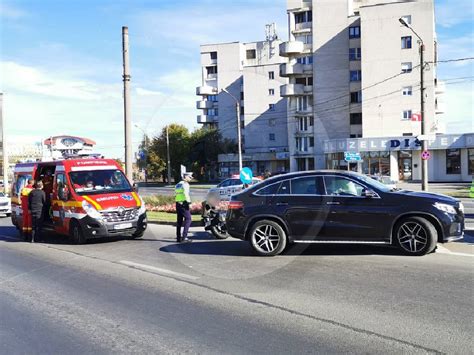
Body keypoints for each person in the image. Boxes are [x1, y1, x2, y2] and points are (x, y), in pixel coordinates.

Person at [175, 172, 193, 243]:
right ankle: (184, 237)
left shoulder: (178, 184)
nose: (191, 178)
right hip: (184, 204)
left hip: (178, 203)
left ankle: (178, 237)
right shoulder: (185, 184)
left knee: (179, 221)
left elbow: (176, 193)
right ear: (185, 177)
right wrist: (189, 203)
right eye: (190, 177)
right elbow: (186, 194)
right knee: (188, 219)